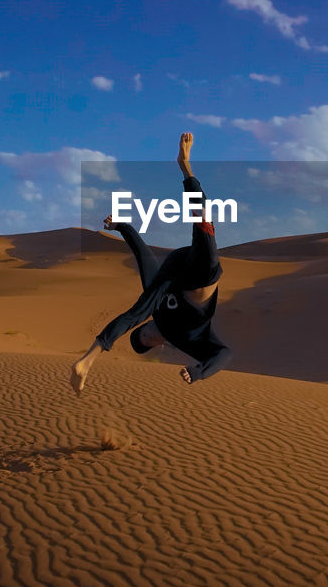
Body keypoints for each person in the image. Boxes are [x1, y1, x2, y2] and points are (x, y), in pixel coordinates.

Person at [70, 132, 233, 396]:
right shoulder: (186, 342)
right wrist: (198, 371)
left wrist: (122, 226)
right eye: (146, 341)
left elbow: (143, 256)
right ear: (156, 346)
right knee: (204, 222)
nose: (149, 336)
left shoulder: (156, 313)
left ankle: (184, 165)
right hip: (200, 274)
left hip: (175, 268)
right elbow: (224, 354)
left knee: (142, 307)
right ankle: (87, 361)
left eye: (143, 335)